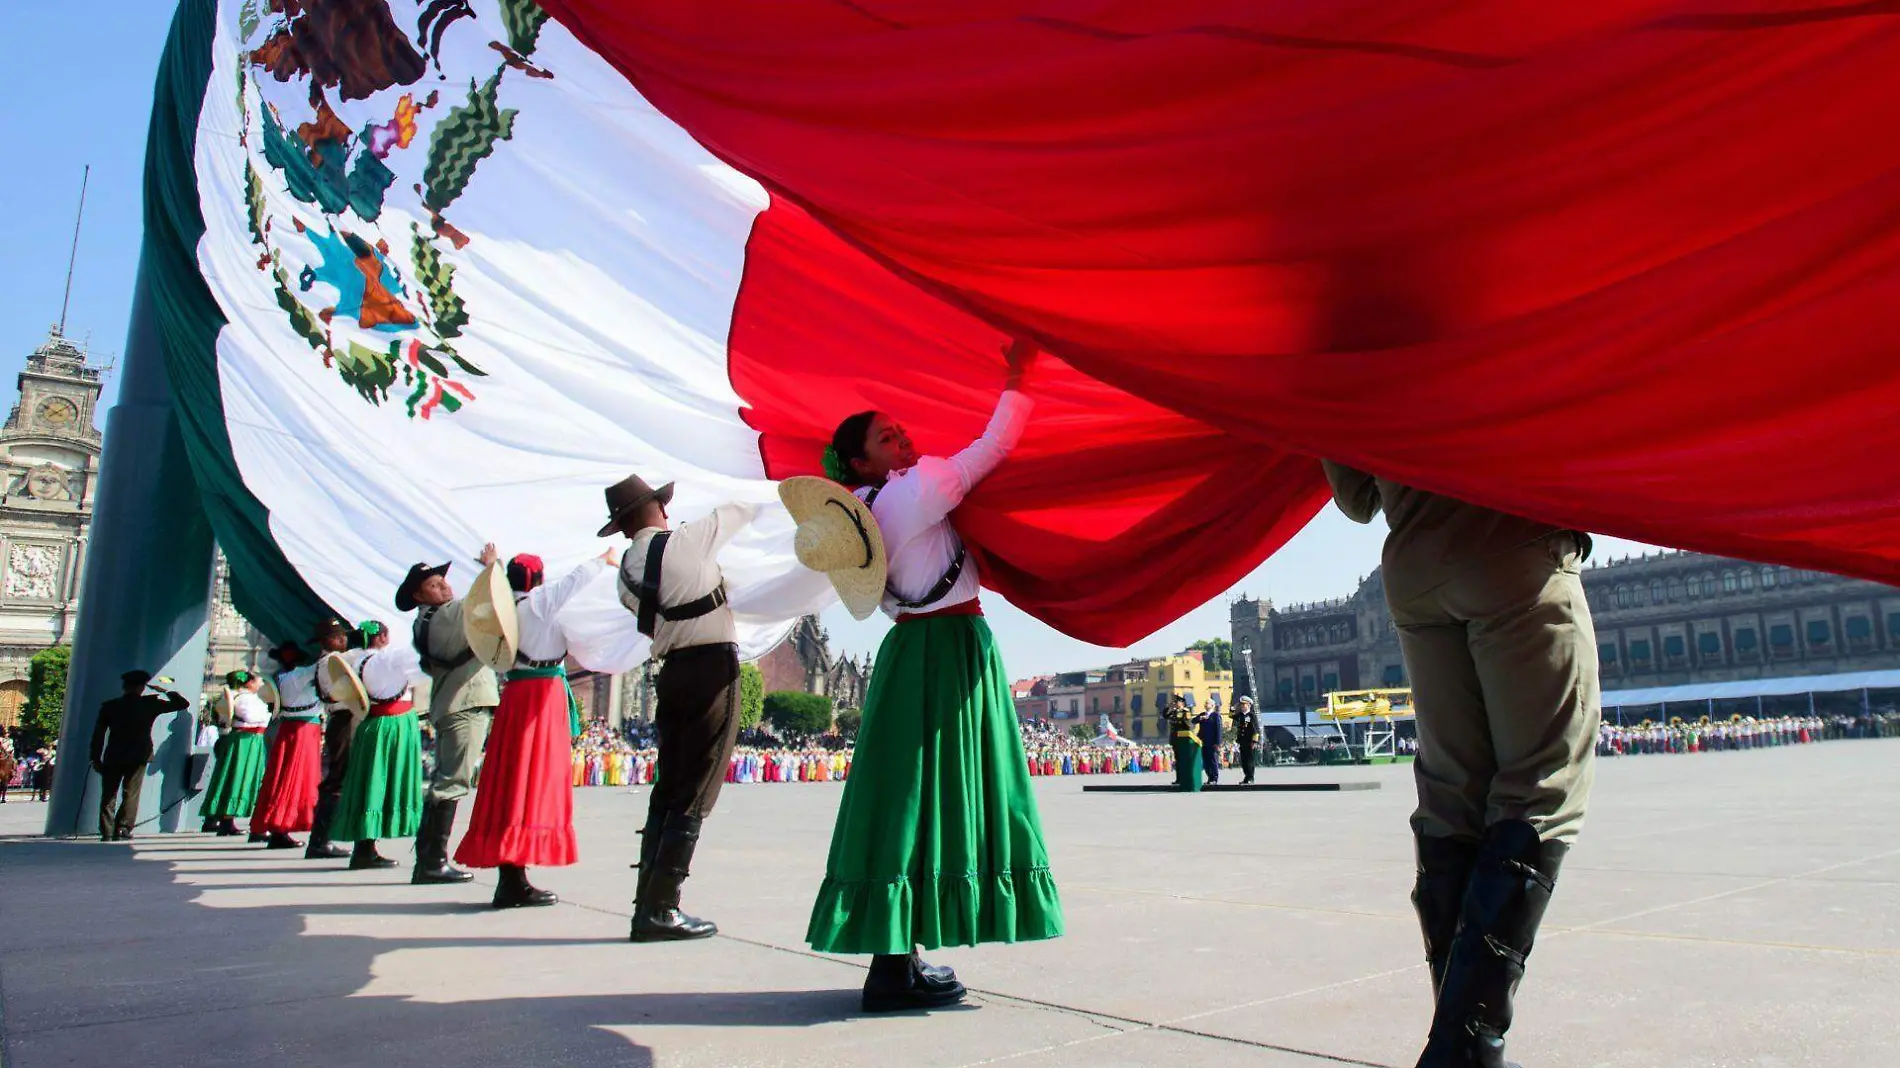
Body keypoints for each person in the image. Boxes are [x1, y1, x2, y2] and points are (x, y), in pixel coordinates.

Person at [800, 339, 1061, 1013]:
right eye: (889, 435)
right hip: (952, 647)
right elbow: (993, 446)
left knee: (904, 798)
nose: (904, 436)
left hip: (907, 653)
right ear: (863, 460)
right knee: (952, 790)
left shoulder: (857, 520)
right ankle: (896, 967)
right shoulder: (915, 492)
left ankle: (896, 959)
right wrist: (1017, 377)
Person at [1322, 460, 1599, 1068]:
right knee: (1541, 788)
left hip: (1415, 571)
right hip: (1513, 547)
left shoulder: (1345, 358)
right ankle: (1465, 1048)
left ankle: (1464, 1041)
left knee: (1452, 798)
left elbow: (1355, 499)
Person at [606, 474, 756, 941]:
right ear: (653, 510)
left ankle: (646, 904)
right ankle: (661, 908)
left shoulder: (624, 575)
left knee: (668, 785)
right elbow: (743, 507)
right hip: (711, 666)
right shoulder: (687, 541)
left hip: (671, 670)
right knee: (698, 785)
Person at [455, 550, 616, 908]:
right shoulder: (541, 604)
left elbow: (496, 591)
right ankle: (514, 879)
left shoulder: (503, 610)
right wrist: (602, 559)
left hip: (515, 693)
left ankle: (511, 875)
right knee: (534, 781)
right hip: (542, 696)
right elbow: (574, 580)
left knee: (512, 781)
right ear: (540, 580)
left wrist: (490, 567)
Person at [401, 545, 503, 886]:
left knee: (448, 780)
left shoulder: (426, 621)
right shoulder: (442, 616)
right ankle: (432, 862)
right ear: (418, 595)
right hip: (464, 704)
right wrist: (492, 568)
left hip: (454, 703)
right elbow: (484, 604)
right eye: (433, 584)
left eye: (443, 581)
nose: (444, 586)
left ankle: (429, 859)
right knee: (451, 783)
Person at [328, 622, 426, 870]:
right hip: (393, 725)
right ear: (383, 637)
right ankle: (366, 849)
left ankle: (365, 846)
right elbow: (424, 668)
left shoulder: (358, 662)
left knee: (369, 783)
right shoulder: (388, 660)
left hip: (373, 723)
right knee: (379, 783)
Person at [89, 671, 190, 842]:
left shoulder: (110, 706)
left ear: (124, 686)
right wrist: (164, 690)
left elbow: (98, 735)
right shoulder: (149, 704)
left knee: (108, 794)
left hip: (114, 754)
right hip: (139, 755)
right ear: (142, 687)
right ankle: (123, 829)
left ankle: (106, 830)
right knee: (131, 793)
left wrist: (95, 757)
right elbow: (182, 704)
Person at [251, 642, 325, 849]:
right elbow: (323, 665)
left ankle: (277, 825)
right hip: (302, 729)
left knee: (281, 777)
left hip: (291, 727)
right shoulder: (299, 676)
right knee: (293, 778)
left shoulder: (280, 678)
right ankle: (281, 826)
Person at [306, 617, 368, 860]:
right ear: (325, 641)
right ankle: (320, 840)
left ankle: (323, 838)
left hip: (347, 718)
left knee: (341, 778)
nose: (343, 639)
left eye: (343, 635)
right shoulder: (330, 662)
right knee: (338, 779)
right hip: (343, 718)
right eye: (337, 636)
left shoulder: (336, 660)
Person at [201, 671, 274, 836]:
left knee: (228, 777)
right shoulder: (244, 698)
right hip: (244, 740)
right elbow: (254, 716)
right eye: (257, 681)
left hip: (245, 739)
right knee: (237, 778)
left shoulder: (236, 697)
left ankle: (215, 818)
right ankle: (227, 820)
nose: (260, 684)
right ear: (248, 683)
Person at [1166, 695, 1202, 793]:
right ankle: (1179, 779)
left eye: (1176, 702)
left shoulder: (1186, 712)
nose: (1175, 704)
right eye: (1174, 702)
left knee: (1183, 760)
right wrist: (1169, 707)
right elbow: (1165, 715)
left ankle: (1184, 778)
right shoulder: (1173, 712)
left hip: (1184, 739)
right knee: (1178, 760)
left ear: (1181, 703)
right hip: (1175, 739)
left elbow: (1189, 726)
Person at [1232, 696, 1259, 785]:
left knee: (1249, 760)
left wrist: (1254, 741)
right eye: (1241, 705)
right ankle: (1246, 777)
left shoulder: (1252, 716)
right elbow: (1230, 715)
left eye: (1244, 704)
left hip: (1249, 741)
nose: (1242, 706)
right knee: (1243, 761)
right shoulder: (1240, 715)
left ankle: (1251, 777)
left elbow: (1256, 729)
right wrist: (1234, 707)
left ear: (1249, 705)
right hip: (1242, 741)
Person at [1197, 697, 1223, 787]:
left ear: (1212, 705)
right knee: (1206, 761)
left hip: (1212, 743)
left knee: (1213, 760)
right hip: (1203, 742)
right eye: (1205, 703)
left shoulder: (1216, 715)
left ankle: (1214, 778)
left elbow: (1219, 730)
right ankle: (1209, 777)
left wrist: (1218, 743)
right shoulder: (1202, 714)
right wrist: (1201, 718)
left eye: (1207, 703)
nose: (1205, 705)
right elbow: (1193, 720)